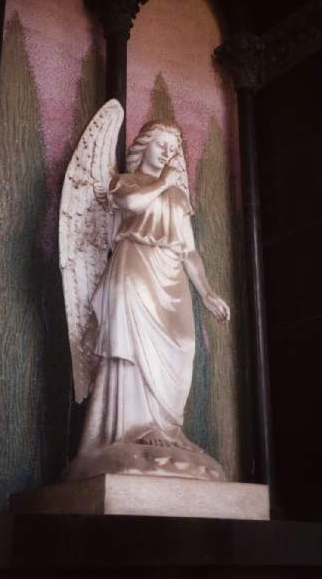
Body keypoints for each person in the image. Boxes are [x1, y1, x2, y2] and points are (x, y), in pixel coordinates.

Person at [65, 120, 230, 481]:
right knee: (134, 347)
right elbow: (132, 203)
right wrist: (164, 182)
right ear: (144, 146)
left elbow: (189, 250)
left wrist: (207, 291)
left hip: (172, 277)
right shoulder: (129, 182)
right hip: (135, 269)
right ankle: (133, 428)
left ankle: (168, 429)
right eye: (162, 144)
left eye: (173, 147)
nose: (168, 152)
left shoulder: (178, 197)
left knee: (183, 346)